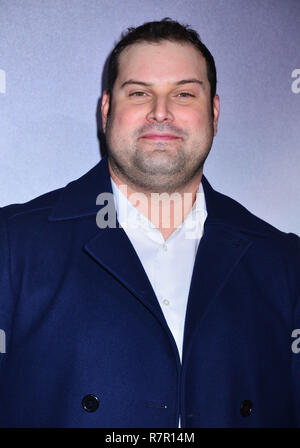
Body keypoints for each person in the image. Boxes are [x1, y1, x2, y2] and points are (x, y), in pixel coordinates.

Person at [0, 18, 299, 428]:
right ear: (107, 111)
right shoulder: (12, 245)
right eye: (139, 93)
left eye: (183, 93)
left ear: (214, 112)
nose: (161, 112)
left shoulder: (283, 262)